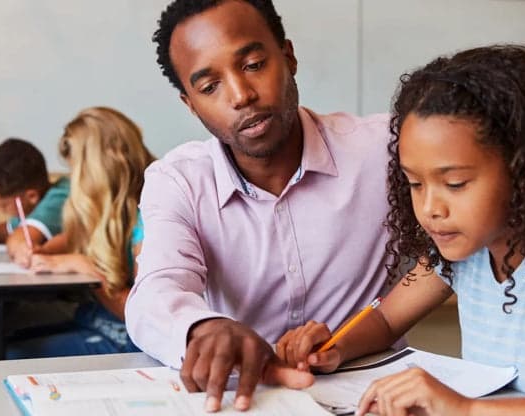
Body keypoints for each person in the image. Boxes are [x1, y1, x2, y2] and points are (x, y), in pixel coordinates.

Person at [125, 0, 394, 411]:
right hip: (247, 400)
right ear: (190, 104)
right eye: (209, 87)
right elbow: (154, 293)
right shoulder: (178, 181)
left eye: (252, 64)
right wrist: (204, 328)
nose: (241, 95)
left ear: (288, 57)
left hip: (378, 400)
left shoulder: (382, 151)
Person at [276, 45, 525, 416]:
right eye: (415, 184)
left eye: (455, 183)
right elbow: (386, 319)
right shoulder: (461, 255)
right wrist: (338, 347)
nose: (431, 209)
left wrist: (465, 409)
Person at [6, 107, 156, 358]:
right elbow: (70, 241)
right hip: (97, 322)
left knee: (10, 353)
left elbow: (149, 319)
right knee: (4, 336)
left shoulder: (151, 214)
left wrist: (88, 268)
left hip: (128, 340)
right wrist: (47, 252)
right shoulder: (112, 209)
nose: (75, 180)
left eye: (78, 170)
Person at [0, 138, 70, 266]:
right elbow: (6, 229)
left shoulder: (59, 198)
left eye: (4, 206)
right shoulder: (33, 208)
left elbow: (20, 238)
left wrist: (21, 249)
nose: (1, 210)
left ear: (32, 196)